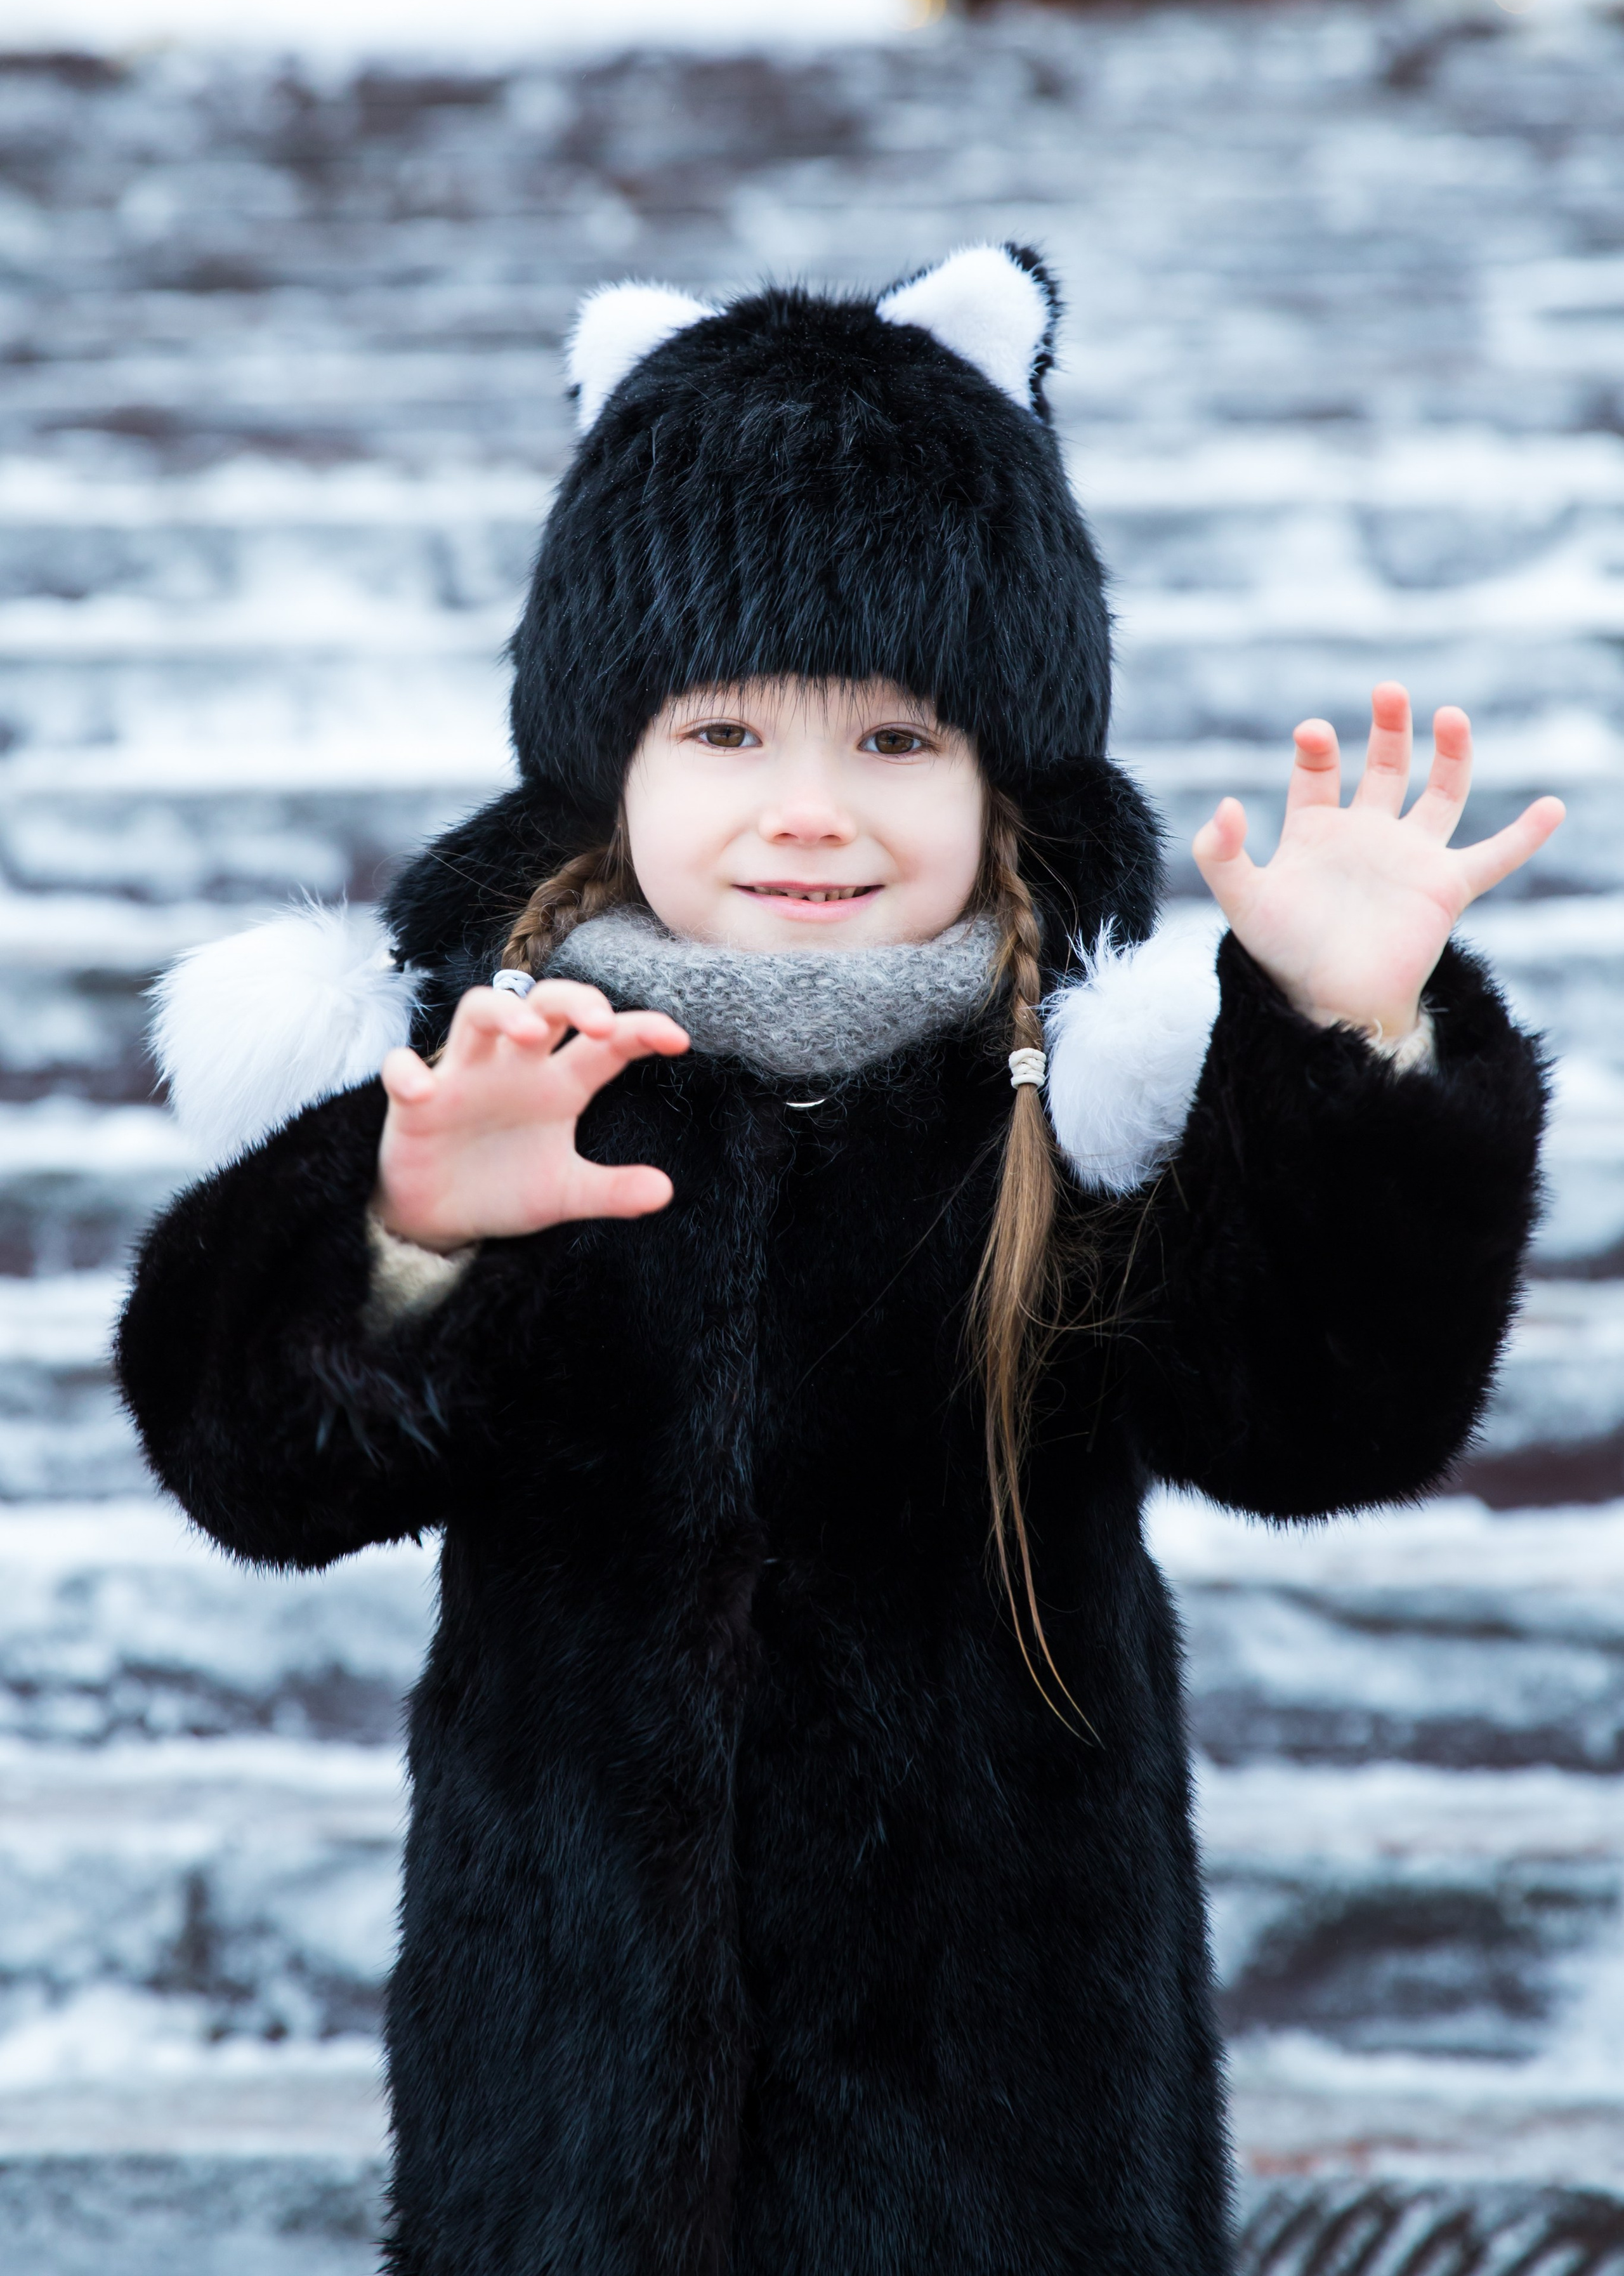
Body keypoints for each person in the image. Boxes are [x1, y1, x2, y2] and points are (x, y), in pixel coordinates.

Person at [117, 246, 1562, 2276]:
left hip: (1008, 2146)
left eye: (895, 742)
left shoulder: (1076, 1103)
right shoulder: (513, 1078)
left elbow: (1323, 1418)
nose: (809, 813)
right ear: (613, 760)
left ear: (998, 775)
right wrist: (410, 1237)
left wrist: (1350, 1042)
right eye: (725, 733)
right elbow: (260, 1468)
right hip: (570, 2133)